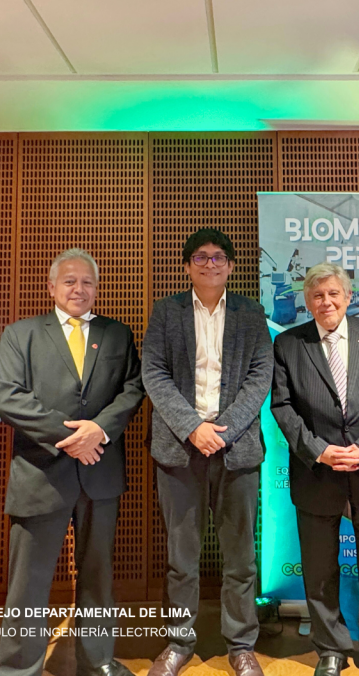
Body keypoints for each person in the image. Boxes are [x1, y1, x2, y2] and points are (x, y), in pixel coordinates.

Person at [0, 248, 145, 676]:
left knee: (98, 575)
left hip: (101, 472)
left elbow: (133, 389)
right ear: (51, 287)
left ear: (97, 288)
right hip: (41, 472)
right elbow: (9, 397)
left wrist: (99, 430)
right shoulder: (21, 334)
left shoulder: (117, 334)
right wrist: (72, 439)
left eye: (87, 282)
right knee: (29, 580)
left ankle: (97, 661)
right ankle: (19, 668)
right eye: (70, 281)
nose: (79, 289)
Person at [142, 228, 273, 676]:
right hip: (179, 450)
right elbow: (154, 373)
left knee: (241, 558)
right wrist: (193, 428)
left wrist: (224, 431)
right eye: (201, 257)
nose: (210, 263)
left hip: (237, 451)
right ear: (187, 266)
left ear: (231, 266)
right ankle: (179, 642)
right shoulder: (167, 311)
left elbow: (260, 376)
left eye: (219, 257)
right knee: (182, 558)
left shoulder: (250, 313)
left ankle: (242, 644)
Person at [270, 263, 359, 676]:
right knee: (319, 567)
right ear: (307, 301)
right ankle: (330, 647)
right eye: (317, 295)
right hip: (317, 471)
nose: (325, 302)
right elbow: (283, 406)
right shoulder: (289, 344)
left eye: (333, 294)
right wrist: (319, 451)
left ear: (348, 297)